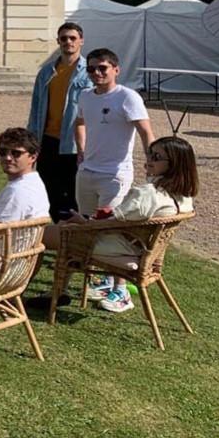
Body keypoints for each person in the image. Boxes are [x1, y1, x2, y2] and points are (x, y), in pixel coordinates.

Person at [44, 136, 197, 313]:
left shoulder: (147, 193)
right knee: (65, 227)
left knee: (41, 234)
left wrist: (84, 221)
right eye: (149, 154)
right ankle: (58, 290)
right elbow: (121, 220)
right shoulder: (184, 197)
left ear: (175, 164)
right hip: (141, 251)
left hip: (116, 248)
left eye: (156, 157)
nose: (149, 160)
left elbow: (111, 224)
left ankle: (23, 285)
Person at [72, 47, 153, 308]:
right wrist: (81, 150)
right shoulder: (85, 96)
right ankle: (104, 280)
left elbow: (145, 131)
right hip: (87, 172)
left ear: (116, 70)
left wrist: (152, 161)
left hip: (115, 174)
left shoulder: (128, 97)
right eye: (92, 68)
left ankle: (122, 291)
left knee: (112, 228)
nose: (96, 72)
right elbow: (80, 122)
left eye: (102, 68)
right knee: (87, 225)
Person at [26, 22, 91, 222]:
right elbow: (35, 108)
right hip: (47, 141)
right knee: (48, 193)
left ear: (81, 41)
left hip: (73, 144)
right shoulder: (46, 72)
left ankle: (74, 243)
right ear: (58, 42)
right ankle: (50, 238)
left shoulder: (89, 72)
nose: (68, 42)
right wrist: (31, 142)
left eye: (72, 38)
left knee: (74, 196)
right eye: (64, 38)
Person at [0, 128, 51, 225]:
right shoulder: (34, 182)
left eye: (16, 153)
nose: (8, 158)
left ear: (33, 157)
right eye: (2, 152)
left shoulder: (18, 191)